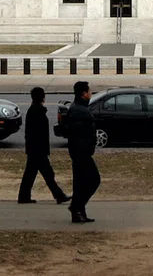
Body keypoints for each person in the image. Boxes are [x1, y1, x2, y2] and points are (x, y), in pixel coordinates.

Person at [17, 87, 71, 205]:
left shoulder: (34, 110)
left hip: (34, 150)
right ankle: (59, 195)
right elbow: (39, 134)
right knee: (47, 174)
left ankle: (24, 196)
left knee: (32, 174)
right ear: (42, 98)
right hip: (38, 150)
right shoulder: (38, 112)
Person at [64, 80, 100, 223]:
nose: (91, 94)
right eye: (90, 91)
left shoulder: (78, 107)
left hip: (80, 152)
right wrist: (86, 149)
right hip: (81, 153)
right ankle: (76, 207)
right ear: (84, 94)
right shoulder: (80, 110)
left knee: (80, 182)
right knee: (94, 180)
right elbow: (78, 135)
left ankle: (79, 213)